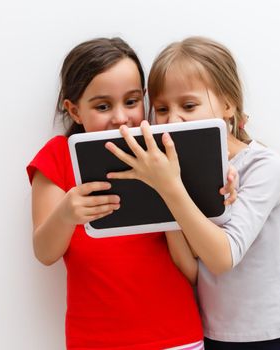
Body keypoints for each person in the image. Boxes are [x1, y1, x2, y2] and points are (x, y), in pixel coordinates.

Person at [26, 37, 236, 350]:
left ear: (145, 99)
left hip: (176, 334)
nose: (121, 117)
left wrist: (225, 183)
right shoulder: (57, 156)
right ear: (74, 110)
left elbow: (197, 241)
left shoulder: (163, 148)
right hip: (95, 340)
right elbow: (45, 252)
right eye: (102, 106)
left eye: (131, 101)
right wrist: (66, 213)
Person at [105, 36, 280, 349]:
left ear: (228, 105)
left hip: (269, 337)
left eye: (188, 105)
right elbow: (193, 270)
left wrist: (170, 189)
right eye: (161, 109)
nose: (172, 120)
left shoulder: (263, 165)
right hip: (213, 336)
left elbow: (222, 257)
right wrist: (166, 193)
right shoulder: (178, 179)